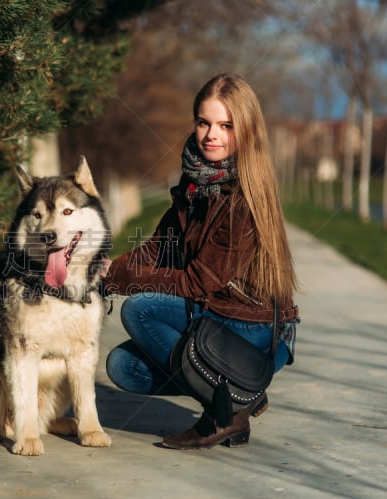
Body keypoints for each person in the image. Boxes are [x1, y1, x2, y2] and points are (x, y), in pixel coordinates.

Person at [102, 73, 300, 450]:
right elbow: (158, 248)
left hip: (252, 332)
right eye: (204, 122)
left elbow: (196, 282)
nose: (212, 135)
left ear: (246, 130)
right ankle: (240, 395)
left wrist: (128, 281)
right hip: (219, 316)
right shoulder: (197, 185)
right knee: (123, 367)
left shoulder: (243, 198)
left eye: (226, 126)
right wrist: (108, 271)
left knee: (140, 310)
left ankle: (227, 412)